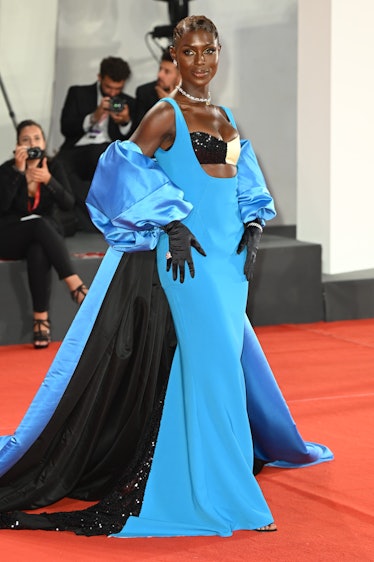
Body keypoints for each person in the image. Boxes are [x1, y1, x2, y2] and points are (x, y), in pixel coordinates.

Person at [0, 16, 333, 536]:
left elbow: (244, 179)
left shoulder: (224, 115)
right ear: (174, 55)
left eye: (209, 51)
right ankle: (227, 495)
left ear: (219, 52)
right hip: (188, 260)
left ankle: (207, 475)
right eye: (190, 52)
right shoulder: (164, 113)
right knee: (212, 371)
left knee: (219, 366)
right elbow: (119, 170)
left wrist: (253, 223)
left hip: (228, 263)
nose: (201, 61)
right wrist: (171, 221)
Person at [0, 120, 88, 349]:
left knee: (38, 249)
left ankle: (41, 320)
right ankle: (75, 285)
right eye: (26, 140)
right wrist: (19, 173)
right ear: (17, 145)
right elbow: (2, 206)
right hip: (9, 235)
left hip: (40, 237)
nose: (32, 144)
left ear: (44, 142)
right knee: (38, 225)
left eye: (37, 138)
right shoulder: (7, 170)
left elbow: (69, 203)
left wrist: (49, 180)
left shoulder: (54, 166)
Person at [57, 56, 135, 229]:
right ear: (99, 77)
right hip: (76, 150)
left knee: (102, 155)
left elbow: (134, 141)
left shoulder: (129, 102)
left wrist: (124, 121)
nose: (113, 93)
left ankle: (89, 219)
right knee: (58, 167)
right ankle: (96, 219)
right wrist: (94, 117)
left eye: (118, 88)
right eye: (108, 87)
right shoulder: (77, 93)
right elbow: (66, 128)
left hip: (105, 151)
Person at [132, 49, 180, 129]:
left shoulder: (193, 96)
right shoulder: (144, 92)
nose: (159, 75)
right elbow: (140, 131)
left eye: (167, 71)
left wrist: (172, 105)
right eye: (160, 69)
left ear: (180, 76)